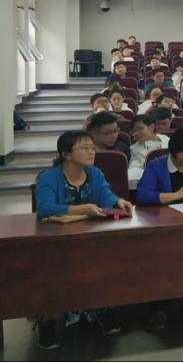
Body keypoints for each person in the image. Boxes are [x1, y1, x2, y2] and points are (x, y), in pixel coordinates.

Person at [34, 131, 134, 348]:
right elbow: (44, 208)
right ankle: (48, 319)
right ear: (66, 154)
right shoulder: (48, 177)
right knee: (52, 270)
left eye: (92, 147)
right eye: (84, 148)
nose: (91, 152)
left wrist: (118, 202)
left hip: (92, 239)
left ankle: (101, 309)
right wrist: (82, 209)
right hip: (57, 242)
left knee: (109, 260)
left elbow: (105, 195)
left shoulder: (95, 173)